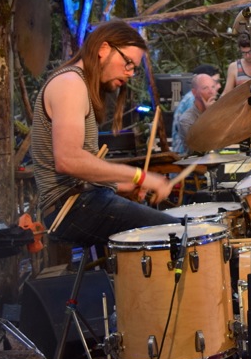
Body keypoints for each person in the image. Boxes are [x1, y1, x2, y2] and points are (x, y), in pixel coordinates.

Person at [32, 20, 174, 247]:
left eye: (134, 68)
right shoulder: (70, 83)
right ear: (103, 49)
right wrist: (140, 176)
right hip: (72, 208)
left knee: (173, 233)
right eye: (128, 63)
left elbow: (82, 174)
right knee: (177, 234)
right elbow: (69, 161)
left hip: (83, 201)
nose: (129, 73)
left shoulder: (80, 85)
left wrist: (123, 186)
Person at [170, 64, 222, 155]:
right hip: (186, 155)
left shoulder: (195, 97)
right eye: (215, 82)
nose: (219, 86)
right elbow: (200, 146)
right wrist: (209, 114)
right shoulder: (193, 100)